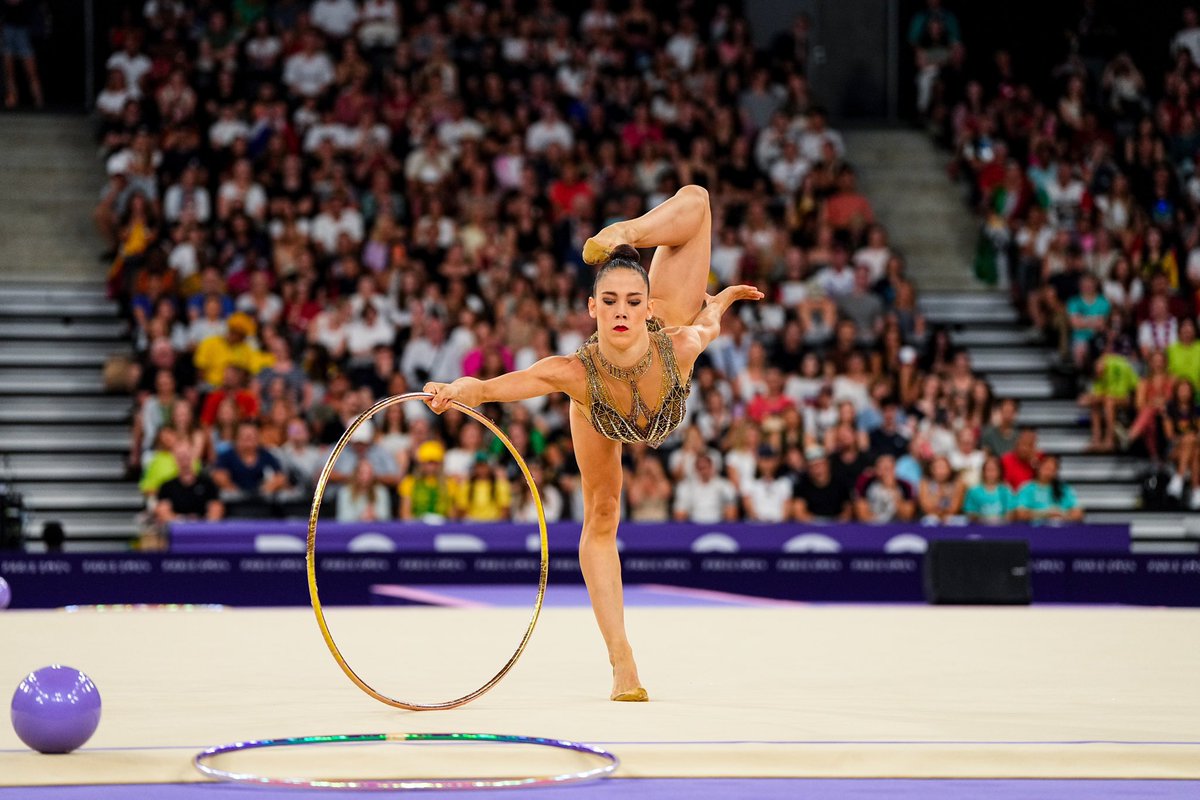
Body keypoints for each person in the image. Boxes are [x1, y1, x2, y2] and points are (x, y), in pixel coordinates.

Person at [423, 185, 763, 701]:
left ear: (646, 307)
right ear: (591, 308)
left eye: (631, 301)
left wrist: (723, 303)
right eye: (609, 302)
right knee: (602, 514)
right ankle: (621, 660)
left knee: (697, 198)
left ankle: (628, 233)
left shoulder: (680, 342)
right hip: (600, 413)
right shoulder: (575, 373)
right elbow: (493, 389)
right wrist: (455, 390)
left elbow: (708, 327)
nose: (621, 311)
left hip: (664, 353)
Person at [1013, 456, 1084, 524]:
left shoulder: (1064, 489)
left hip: (1062, 529)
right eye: (1046, 468)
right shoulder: (1027, 489)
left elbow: (1078, 513)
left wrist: (1062, 515)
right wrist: (1045, 514)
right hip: (1035, 531)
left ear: (1056, 472)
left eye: (1052, 470)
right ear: (1039, 468)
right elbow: (1020, 514)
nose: (1048, 472)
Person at [791, 447, 852, 521]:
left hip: (838, 525)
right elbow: (799, 510)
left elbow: (848, 508)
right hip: (811, 526)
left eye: (820, 465)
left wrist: (838, 522)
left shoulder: (841, 482)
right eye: (813, 466)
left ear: (827, 464)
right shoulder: (801, 484)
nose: (817, 470)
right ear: (808, 468)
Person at [963, 455, 1016, 524]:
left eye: (994, 470)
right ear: (983, 471)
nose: (991, 473)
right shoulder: (973, 491)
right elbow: (970, 514)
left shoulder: (1006, 490)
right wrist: (985, 519)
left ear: (1000, 472)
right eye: (988, 470)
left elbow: (1011, 514)